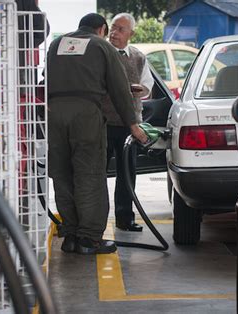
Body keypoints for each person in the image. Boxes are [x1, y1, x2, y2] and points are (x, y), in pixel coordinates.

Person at [47, 13, 148, 255]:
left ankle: (70, 234)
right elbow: (120, 89)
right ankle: (89, 239)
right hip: (86, 114)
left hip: (53, 114)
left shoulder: (56, 44)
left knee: (63, 173)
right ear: (101, 29)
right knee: (89, 174)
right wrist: (133, 125)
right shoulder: (102, 46)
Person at [103, 13, 154, 232]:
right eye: (113, 28)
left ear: (131, 34)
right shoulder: (101, 53)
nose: (114, 33)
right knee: (96, 174)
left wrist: (140, 90)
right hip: (103, 122)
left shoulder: (139, 57)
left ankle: (125, 219)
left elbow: (147, 86)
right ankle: (95, 221)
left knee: (127, 174)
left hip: (130, 123)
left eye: (120, 29)